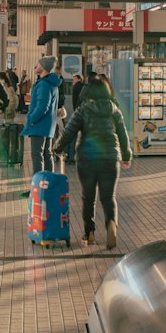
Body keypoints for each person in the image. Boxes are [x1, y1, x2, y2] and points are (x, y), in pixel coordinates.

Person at [54, 73, 132, 249]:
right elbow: (122, 134)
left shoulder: (83, 109)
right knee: (109, 197)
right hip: (110, 159)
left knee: (88, 198)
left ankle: (89, 233)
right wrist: (126, 156)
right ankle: (111, 223)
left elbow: (69, 132)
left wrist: (57, 147)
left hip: (87, 160)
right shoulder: (114, 110)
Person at [21, 56, 62, 186]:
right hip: (48, 125)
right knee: (46, 154)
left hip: (39, 125)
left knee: (37, 156)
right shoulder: (51, 83)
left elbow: (43, 106)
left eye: (38, 63)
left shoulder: (44, 84)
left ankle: (38, 187)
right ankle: (48, 185)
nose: (36, 66)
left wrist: (31, 119)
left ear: (43, 67)